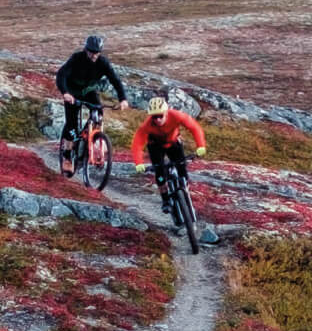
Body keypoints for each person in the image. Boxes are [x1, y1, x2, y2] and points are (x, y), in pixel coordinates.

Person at [55, 34, 130, 176]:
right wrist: (65, 92)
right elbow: (61, 75)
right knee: (71, 125)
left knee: (98, 113)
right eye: (91, 51)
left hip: (89, 91)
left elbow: (115, 80)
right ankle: (67, 156)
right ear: (86, 49)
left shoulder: (103, 63)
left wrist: (123, 99)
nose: (94, 55)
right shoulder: (76, 58)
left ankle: (96, 141)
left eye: (97, 52)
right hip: (72, 92)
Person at [132, 96, 207, 212]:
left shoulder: (176, 115)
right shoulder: (147, 125)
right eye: (154, 117)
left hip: (173, 143)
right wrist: (138, 163)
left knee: (182, 170)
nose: (157, 119)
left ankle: (185, 193)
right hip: (155, 147)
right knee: (160, 174)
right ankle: (166, 200)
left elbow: (194, 128)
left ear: (166, 113)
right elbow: (137, 143)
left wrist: (201, 146)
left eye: (160, 116)